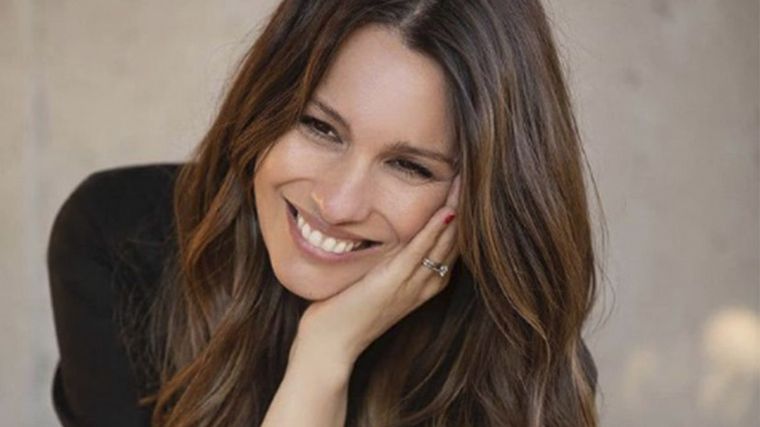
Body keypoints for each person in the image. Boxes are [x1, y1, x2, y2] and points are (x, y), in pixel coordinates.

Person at [47, 0, 602, 426]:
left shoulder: (518, 367)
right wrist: (321, 365)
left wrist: (324, 357)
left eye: (409, 166)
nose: (337, 205)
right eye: (319, 128)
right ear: (263, 105)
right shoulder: (124, 239)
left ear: (481, 197)